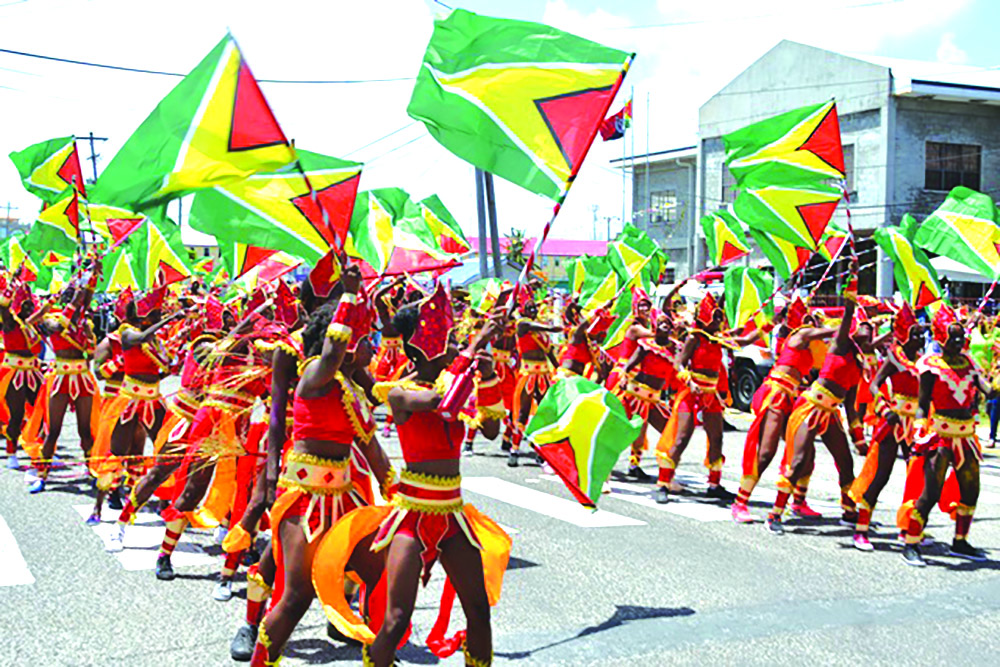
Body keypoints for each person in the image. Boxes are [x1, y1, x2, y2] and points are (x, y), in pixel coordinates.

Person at [319, 282, 511, 667]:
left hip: (452, 514)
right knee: (395, 620)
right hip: (411, 516)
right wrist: (474, 350)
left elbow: (490, 430)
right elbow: (443, 404)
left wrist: (488, 375)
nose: (456, 344)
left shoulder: (454, 380)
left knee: (478, 610)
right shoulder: (401, 393)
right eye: (449, 338)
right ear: (424, 343)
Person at [249, 265, 392, 666]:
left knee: (380, 574)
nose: (372, 348)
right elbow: (330, 353)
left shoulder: (351, 386)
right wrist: (347, 295)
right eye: (366, 340)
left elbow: (373, 446)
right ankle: (261, 657)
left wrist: (398, 492)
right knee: (296, 596)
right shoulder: (316, 372)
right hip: (305, 497)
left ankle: (378, 655)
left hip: (343, 499)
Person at [765, 262, 867, 535]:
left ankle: (849, 510)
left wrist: (859, 439)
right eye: (865, 326)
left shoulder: (859, 363)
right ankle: (775, 514)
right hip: (810, 406)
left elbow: (850, 403)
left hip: (831, 411)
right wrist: (852, 286)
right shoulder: (841, 344)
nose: (870, 330)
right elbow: (847, 319)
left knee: (845, 462)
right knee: (798, 462)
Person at [899, 305, 995, 566]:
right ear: (940, 338)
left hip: (966, 437)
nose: (959, 340)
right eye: (952, 336)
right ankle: (911, 543)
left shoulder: (969, 363)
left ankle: (960, 542)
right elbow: (922, 403)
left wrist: (996, 382)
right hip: (940, 436)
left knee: (970, 491)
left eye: (960, 336)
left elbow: (988, 391)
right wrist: (919, 425)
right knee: (929, 493)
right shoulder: (931, 366)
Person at [732, 297, 832, 523]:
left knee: (806, 451)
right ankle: (740, 502)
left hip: (792, 396)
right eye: (804, 315)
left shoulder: (803, 339)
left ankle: (798, 502)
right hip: (776, 394)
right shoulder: (799, 335)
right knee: (766, 451)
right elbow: (832, 332)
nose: (809, 319)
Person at [654, 293, 759, 504]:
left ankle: (714, 485)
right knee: (682, 438)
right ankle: (663, 484)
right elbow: (679, 364)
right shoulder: (695, 337)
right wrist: (689, 381)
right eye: (717, 317)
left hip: (711, 395)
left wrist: (768, 324)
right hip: (691, 393)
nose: (720, 321)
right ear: (706, 318)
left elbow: (745, 340)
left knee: (717, 438)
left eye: (720, 317)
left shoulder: (718, 339)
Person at [848, 302, 924, 551]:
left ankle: (908, 527)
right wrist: (884, 408)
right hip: (894, 422)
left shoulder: (924, 361)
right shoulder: (894, 357)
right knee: (882, 474)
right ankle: (861, 528)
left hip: (916, 425)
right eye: (914, 332)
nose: (920, 336)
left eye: (920, 332)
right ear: (902, 335)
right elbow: (873, 384)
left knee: (917, 476)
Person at [29, 272, 100, 494]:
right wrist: (74, 303)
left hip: (82, 379)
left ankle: (92, 471)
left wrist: (88, 337)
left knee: (85, 431)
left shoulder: (84, 324)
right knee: (53, 431)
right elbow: (54, 327)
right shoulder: (55, 318)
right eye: (73, 300)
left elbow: (91, 356)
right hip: (60, 378)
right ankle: (42, 475)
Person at [617, 314, 679, 484]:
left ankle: (664, 473)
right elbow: (629, 364)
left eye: (668, 323)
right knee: (626, 430)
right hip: (636, 394)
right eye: (661, 323)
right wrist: (623, 376)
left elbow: (677, 372)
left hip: (654, 398)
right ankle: (604, 471)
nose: (665, 325)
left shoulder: (675, 348)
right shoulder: (646, 345)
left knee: (669, 430)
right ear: (654, 327)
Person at [0, 278, 46, 471]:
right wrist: (11, 285)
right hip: (15, 373)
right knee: (16, 415)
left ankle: (39, 451)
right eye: (26, 305)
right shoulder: (10, 322)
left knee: (42, 413)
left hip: (33, 371)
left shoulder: (32, 324)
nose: (30, 308)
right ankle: (12, 453)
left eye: (31, 305)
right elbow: (2, 306)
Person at [509, 297, 560, 467]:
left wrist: (559, 370)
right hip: (528, 373)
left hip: (544, 374)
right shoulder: (522, 325)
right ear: (523, 310)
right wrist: (552, 328)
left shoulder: (542, 332)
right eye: (528, 308)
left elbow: (550, 353)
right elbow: (530, 325)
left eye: (534, 309)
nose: (532, 311)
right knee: (523, 412)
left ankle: (541, 450)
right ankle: (514, 449)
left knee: (545, 412)